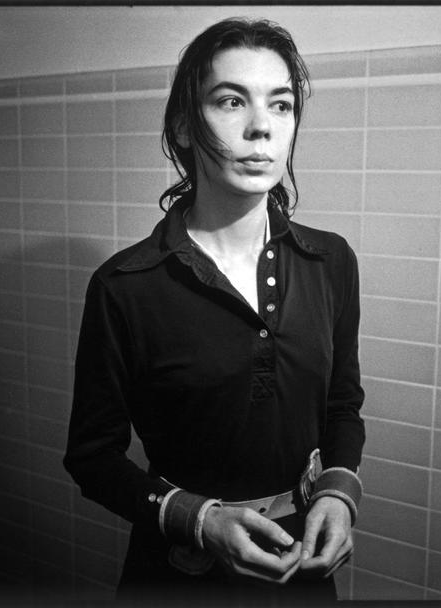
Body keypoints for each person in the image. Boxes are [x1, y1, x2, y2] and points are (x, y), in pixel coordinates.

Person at [64, 17, 365, 607]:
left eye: (281, 106)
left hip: (299, 569)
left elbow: (341, 403)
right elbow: (92, 457)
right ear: (182, 124)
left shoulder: (330, 261)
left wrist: (337, 492)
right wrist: (196, 518)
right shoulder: (125, 286)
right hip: (179, 573)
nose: (261, 128)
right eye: (231, 101)